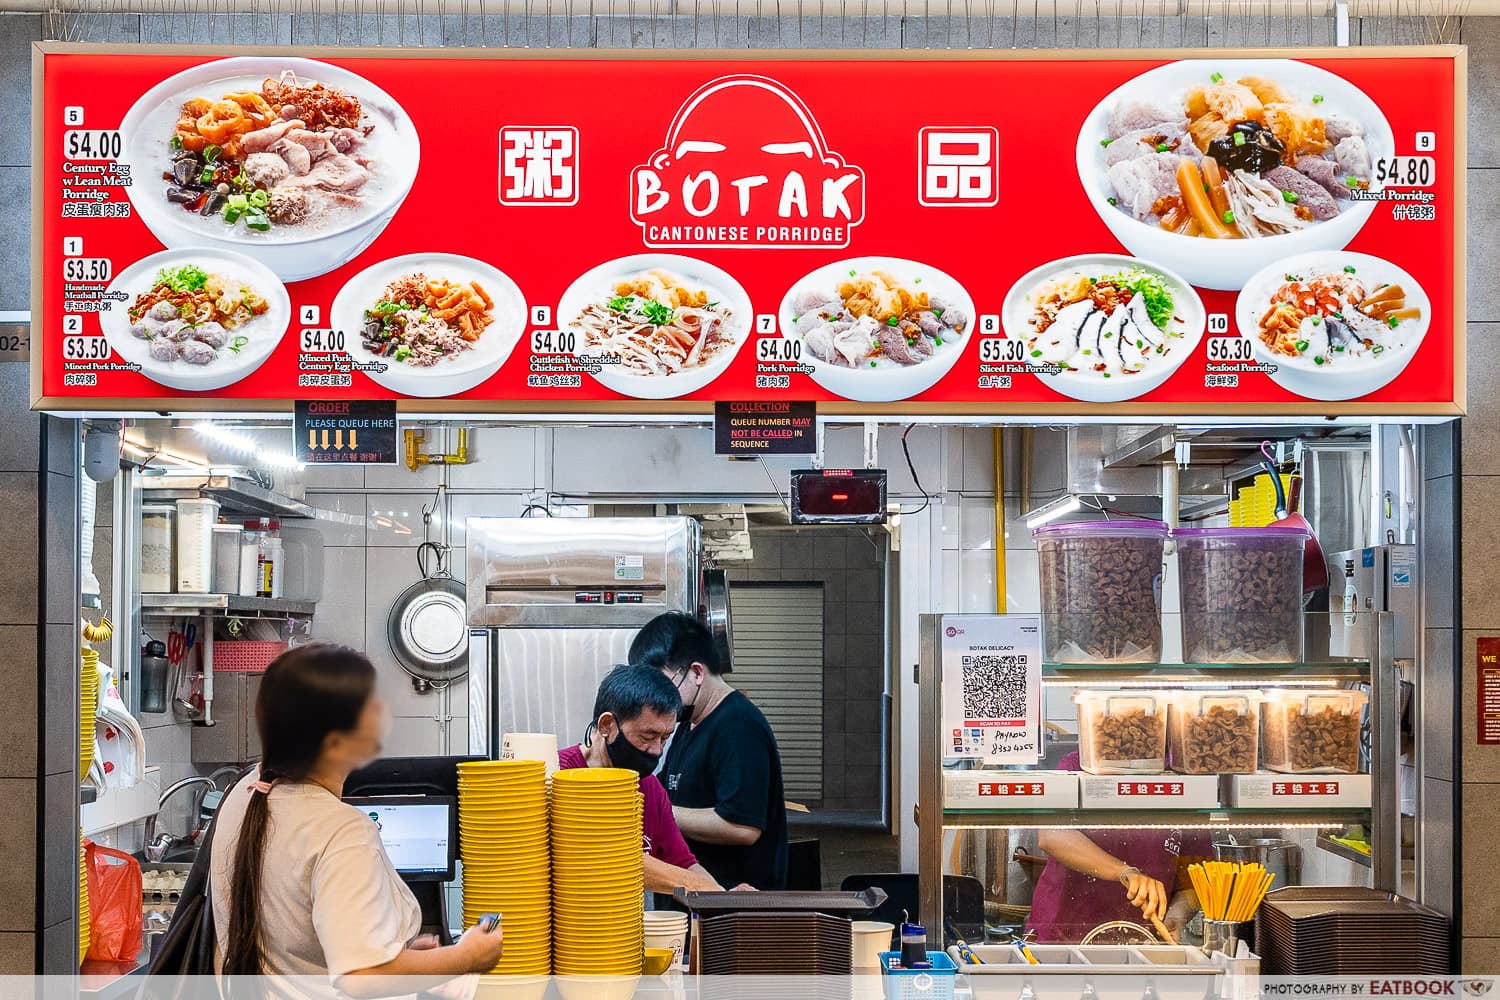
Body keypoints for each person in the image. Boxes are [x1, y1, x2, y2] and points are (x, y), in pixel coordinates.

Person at [211, 643, 504, 997]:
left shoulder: (246, 795)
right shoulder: (343, 830)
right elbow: (362, 976)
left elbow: (300, 947)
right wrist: (465, 956)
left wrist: (403, 960)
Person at [630, 612, 789, 892]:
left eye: (662, 684)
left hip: (731, 904)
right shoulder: (687, 723)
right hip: (693, 898)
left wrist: (657, 812)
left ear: (696, 673)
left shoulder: (738, 725)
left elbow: (742, 827)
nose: (656, 698)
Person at [559, 663, 746, 894]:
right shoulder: (558, 776)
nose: (656, 750)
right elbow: (610, 858)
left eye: (665, 738)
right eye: (648, 736)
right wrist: (704, 888)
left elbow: (684, 863)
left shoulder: (650, 789)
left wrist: (723, 897)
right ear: (607, 725)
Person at [1025, 751, 1206, 943]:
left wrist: (1175, 918)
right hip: (1063, 936)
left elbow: (1193, 881)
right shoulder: (1080, 764)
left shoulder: (1183, 775)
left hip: (1140, 942)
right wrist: (1125, 871)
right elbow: (1051, 835)